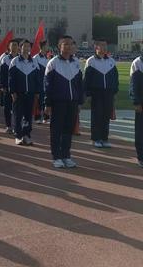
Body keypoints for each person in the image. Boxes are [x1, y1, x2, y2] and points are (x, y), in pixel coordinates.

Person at [44, 35, 84, 169]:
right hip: (58, 103)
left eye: (71, 44)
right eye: (65, 44)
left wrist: (79, 102)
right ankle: (56, 157)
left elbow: (79, 85)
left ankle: (66, 155)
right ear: (59, 47)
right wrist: (48, 104)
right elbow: (48, 86)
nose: (69, 46)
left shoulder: (76, 63)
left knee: (68, 130)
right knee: (56, 130)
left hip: (72, 103)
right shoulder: (53, 63)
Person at [83, 40, 118, 148]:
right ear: (96, 47)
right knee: (96, 116)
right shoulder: (91, 61)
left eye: (105, 45)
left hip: (108, 93)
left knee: (106, 116)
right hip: (96, 93)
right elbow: (86, 80)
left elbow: (115, 78)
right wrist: (88, 94)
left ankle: (104, 138)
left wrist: (115, 92)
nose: (104, 47)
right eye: (101, 45)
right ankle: (96, 138)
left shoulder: (111, 61)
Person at [9, 40, 40, 146]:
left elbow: (37, 79)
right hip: (19, 93)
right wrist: (12, 92)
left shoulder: (34, 62)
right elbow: (11, 79)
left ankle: (26, 135)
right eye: (24, 46)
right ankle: (18, 136)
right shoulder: (15, 61)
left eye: (28, 46)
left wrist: (37, 92)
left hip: (30, 94)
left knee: (28, 116)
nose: (26, 48)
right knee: (18, 115)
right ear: (20, 48)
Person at [0, 40, 19, 134]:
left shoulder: (20, 58)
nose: (15, 47)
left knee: (16, 107)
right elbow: (2, 73)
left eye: (16, 45)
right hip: (7, 88)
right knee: (7, 107)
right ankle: (8, 126)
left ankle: (16, 126)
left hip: (18, 88)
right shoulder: (5, 58)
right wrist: (3, 86)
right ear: (9, 47)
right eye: (13, 45)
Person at [129, 53, 143, 167]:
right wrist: (136, 102)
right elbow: (134, 84)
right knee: (140, 131)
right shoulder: (138, 62)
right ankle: (141, 157)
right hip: (141, 103)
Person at [33, 40, 49, 123]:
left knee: (45, 100)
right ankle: (37, 117)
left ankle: (45, 117)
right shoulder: (36, 58)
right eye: (47, 45)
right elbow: (35, 72)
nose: (48, 47)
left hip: (45, 83)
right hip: (38, 83)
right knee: (38, 100)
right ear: (42, 47)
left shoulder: (47, 58)